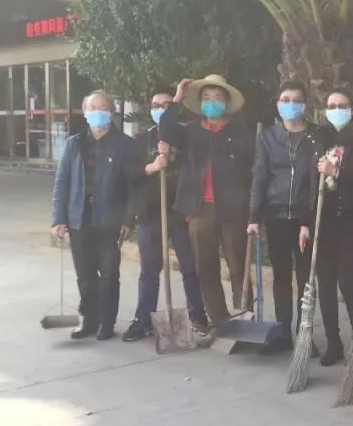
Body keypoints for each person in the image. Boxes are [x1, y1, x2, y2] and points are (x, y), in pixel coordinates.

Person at [159, 74, 255, 341]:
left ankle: (245, 318)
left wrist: (254, 210)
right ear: (200, 103)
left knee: (239, 267)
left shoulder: (242, 134)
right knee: (206, 270)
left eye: (217, 98)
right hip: (199, 209)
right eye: (207, 98)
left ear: (226, 102)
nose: (212, 102)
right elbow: (165, 130)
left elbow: (254, 172)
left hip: (234, 210)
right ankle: (220, 322)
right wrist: (177, 99)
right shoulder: (190, 131)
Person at [50, 91, 140, 341]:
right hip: (79, 217)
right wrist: (58, 218)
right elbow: (62, 181)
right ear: (85, 112)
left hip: (110, 219)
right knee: (86, 275)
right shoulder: (74, 143)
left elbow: (134, 186)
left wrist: (128, 219)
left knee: (109, 273)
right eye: (93, 108)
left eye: (103, 108)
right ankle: (89, 319)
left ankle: (107, 322)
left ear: (112, 112)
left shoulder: (125, 145)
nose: (98, 112)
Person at [123, 90, 207, 342]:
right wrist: (152, 166)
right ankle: (143, 319)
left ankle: (197, 314)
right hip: (151, 214)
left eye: (166, 105)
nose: (160, 109)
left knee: (190, 268)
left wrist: (171, 155)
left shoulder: (186, 136)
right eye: (156, 105)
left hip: (181, 212)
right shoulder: (141, 140)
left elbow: (196, 168)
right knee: (149, 270)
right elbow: (130, 174)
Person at [247, 80, 321, 342]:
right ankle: (282, 332)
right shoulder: (267, 137)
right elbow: (260, 176)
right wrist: (254, 216)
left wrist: (308, 220)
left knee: (306, 278)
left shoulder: (316, 137)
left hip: (305, 218)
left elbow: (316, 182)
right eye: (285, 100)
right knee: (280, 276)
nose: (291, 105)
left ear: (305, 104)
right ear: (277, 104)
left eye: (297, 100)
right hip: (276, 216)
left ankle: (304, 333)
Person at [314, 88, 353, 365]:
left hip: (350, 221)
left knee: (349, 283)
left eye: (342, 105)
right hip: (322, 221)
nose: (337, 110)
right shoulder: (319, 138)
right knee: (325, 283)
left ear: (351, 108)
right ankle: (333, 342)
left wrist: (336, 172)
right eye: (332, 105)